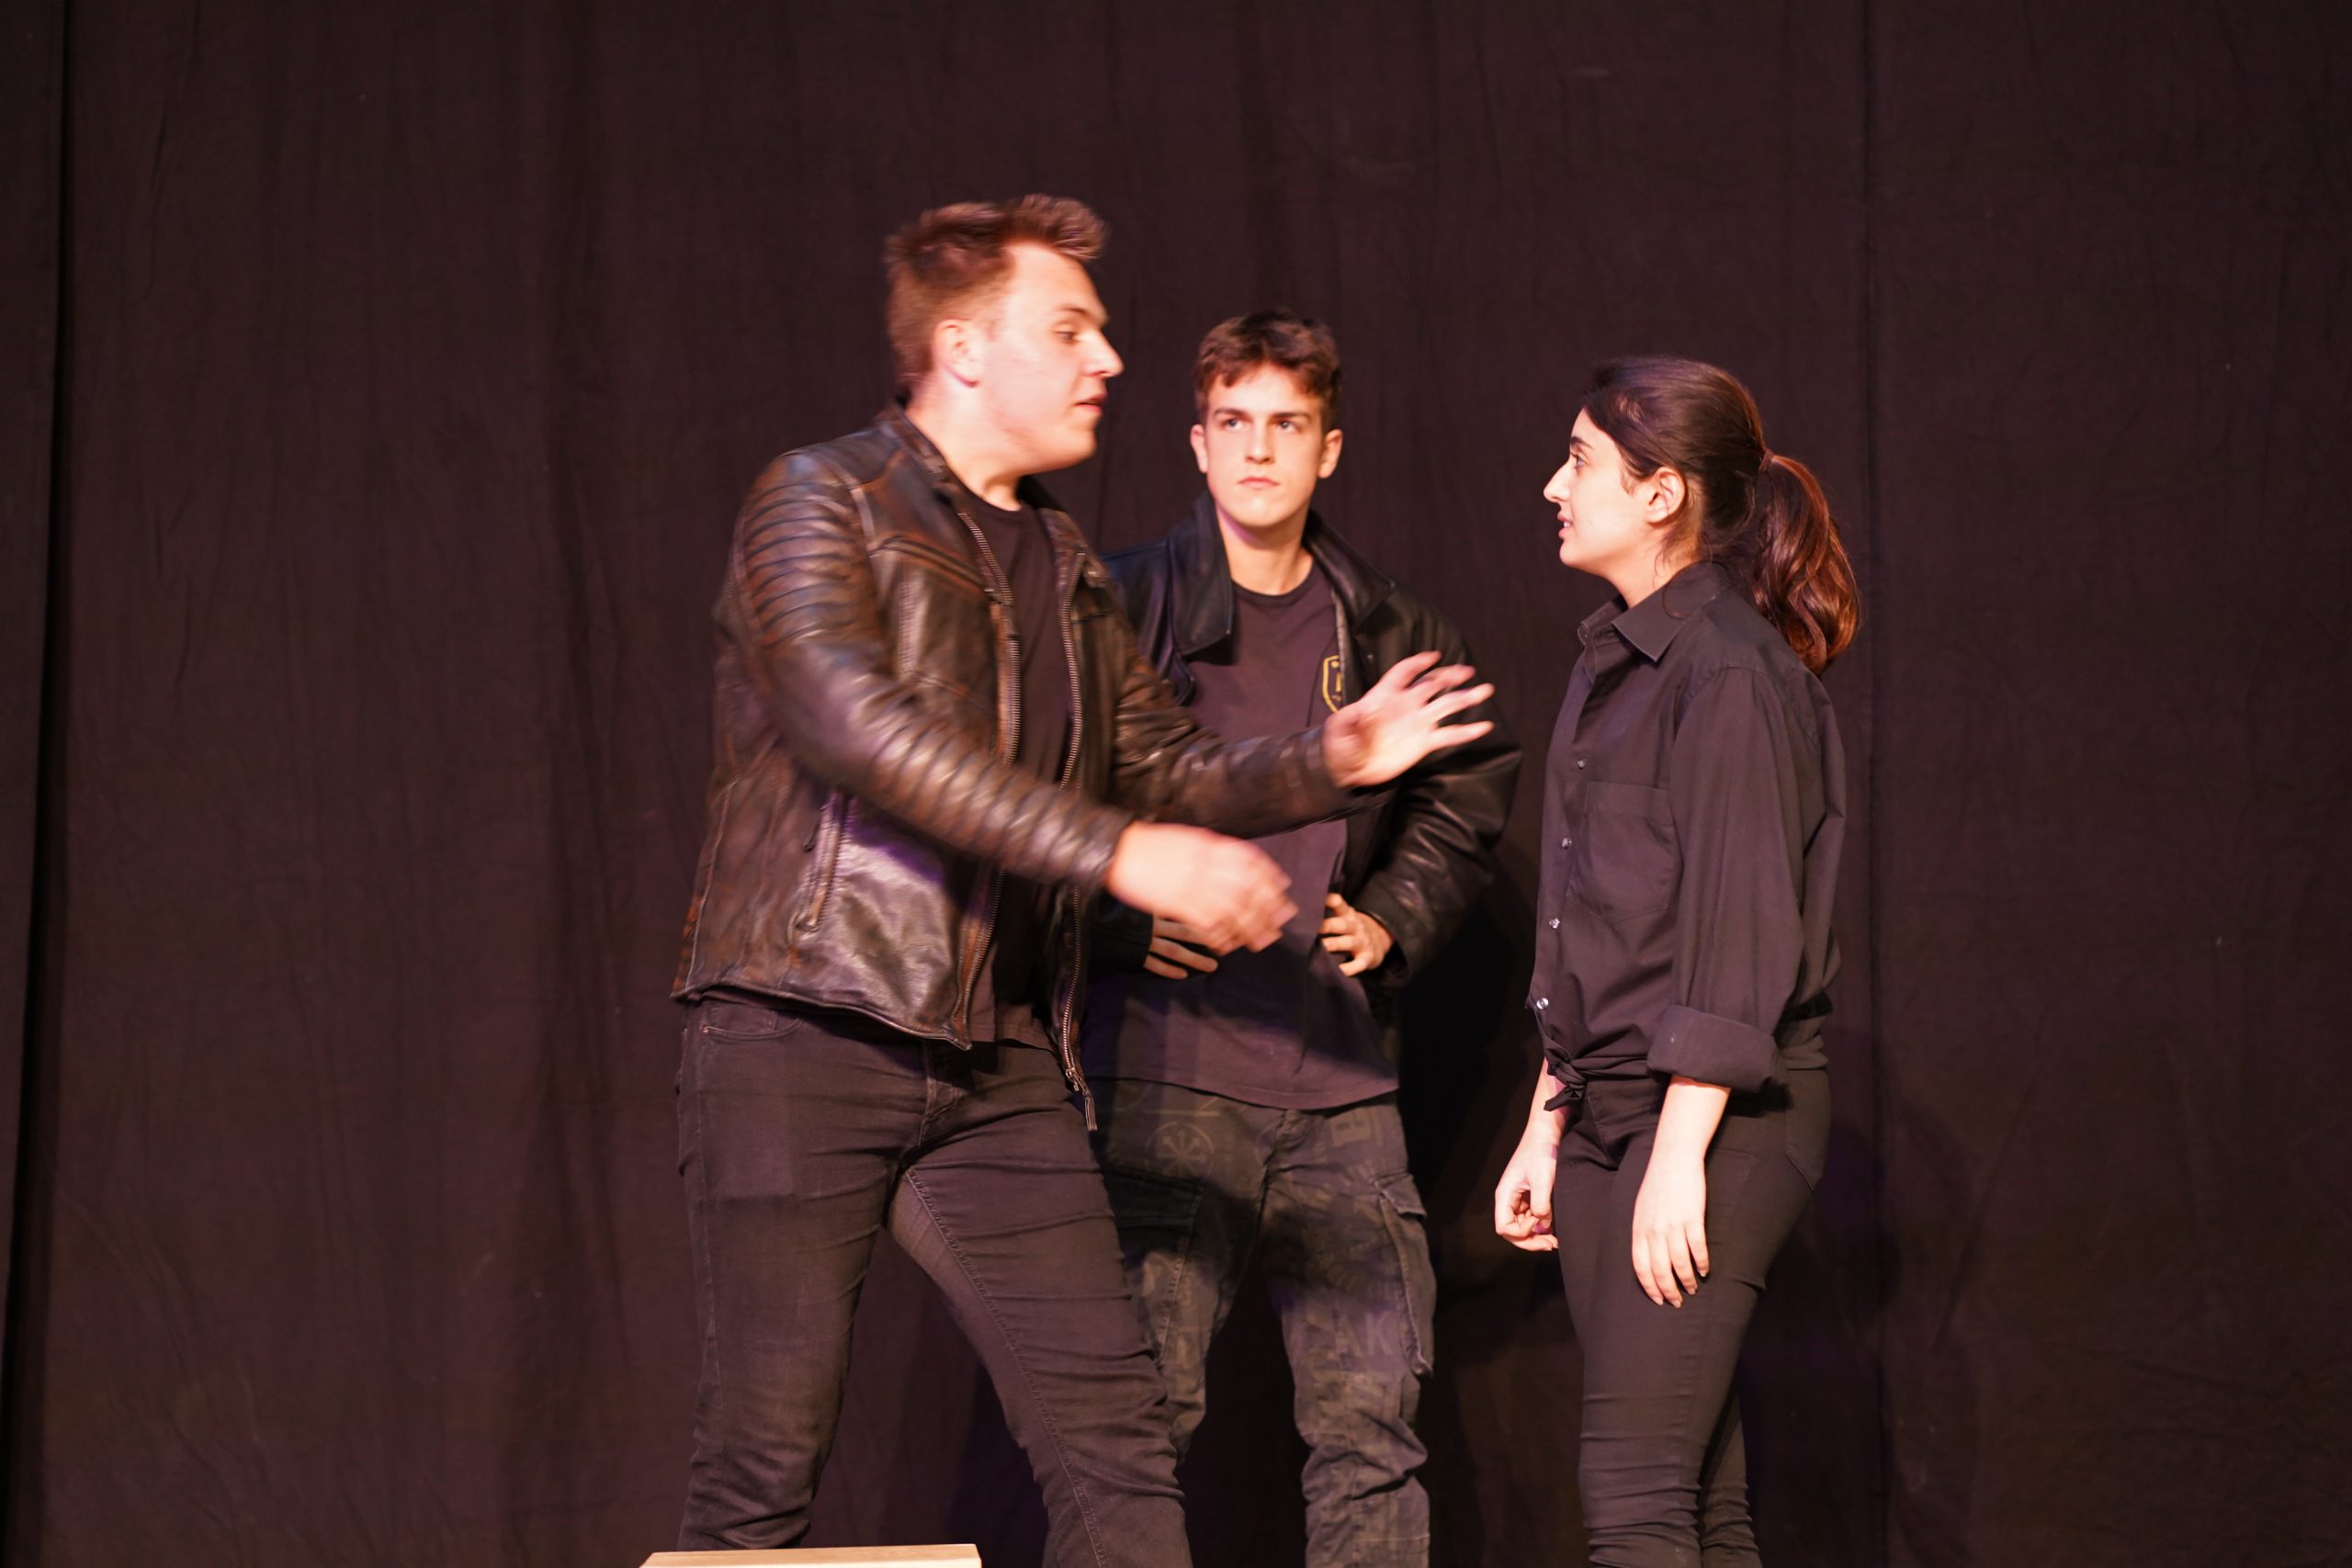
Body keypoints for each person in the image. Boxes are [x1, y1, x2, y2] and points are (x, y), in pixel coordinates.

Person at [669, 196, 1494, 1567]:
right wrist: (1118, 852)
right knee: (763, 1471)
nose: (1107, 357)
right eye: (1069, 330)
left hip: (996, 1060)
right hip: (804, 1033)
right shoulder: (818, 499)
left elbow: (1160, 762)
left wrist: (1329, 759)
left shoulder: (1058, 560)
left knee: (1120, 1451)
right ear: (962, 349)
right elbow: (861, 730)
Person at [1080, 310, 1521, 1567]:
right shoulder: (1118, 605)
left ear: (1330, 449)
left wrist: (1394, 916)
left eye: (1288, 425)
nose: (1260, 451)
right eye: (1235, 423)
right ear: (1198, 443)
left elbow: (1469, 787)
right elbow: (1027, 798)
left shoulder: (1389, 628)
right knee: (1131, 1439)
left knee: (1372, 1442)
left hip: (1342, 1091)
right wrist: (1117, 918)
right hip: (1166, 1085)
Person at [1492, 356, 1860, 1566]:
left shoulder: (1731, 674)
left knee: (1635, 1495)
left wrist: (1679, 1155)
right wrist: (1548, 1120)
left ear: (1660, 495)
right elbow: (1596, 930)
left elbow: (1738, 937)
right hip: (1611, 1113)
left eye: (1580, 462)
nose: (1555, 487)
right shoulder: (1614, 666)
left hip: (1717, 1123)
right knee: (1694, 1493)